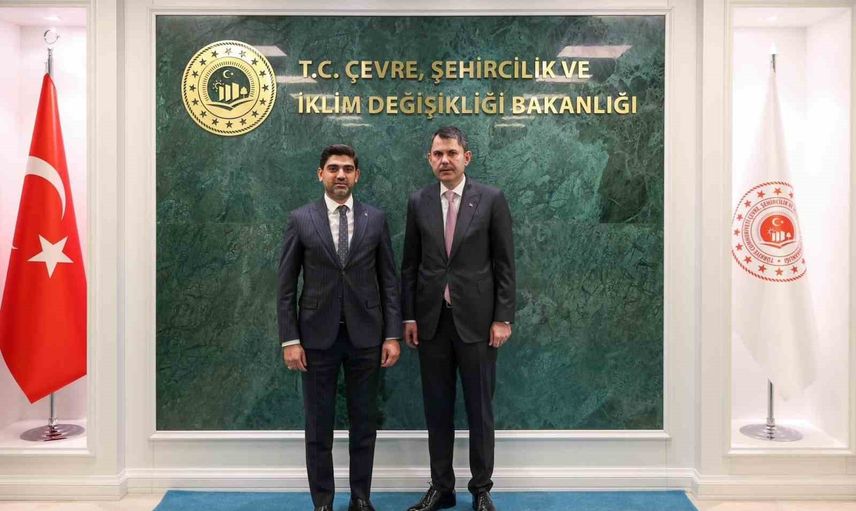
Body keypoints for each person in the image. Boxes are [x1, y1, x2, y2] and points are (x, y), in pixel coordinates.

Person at [278, 144, 402, 511]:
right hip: (315, 339)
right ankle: (323, 502)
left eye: (348, 168)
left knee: (364, 423)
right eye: (333, 168)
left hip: (367, 337)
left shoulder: (375, 219)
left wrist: (392, 335)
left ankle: (361, 497)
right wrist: (290, 339)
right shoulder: (301, 219)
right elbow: (286, 286)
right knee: (319, 426)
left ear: (357, 175)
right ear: (320, 174)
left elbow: (389, 282)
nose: (341, 175)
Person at [401, 126, 516, 511]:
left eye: (451, 153)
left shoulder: (491, 199)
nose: (445, 160)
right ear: (429, 159)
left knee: (480, 409)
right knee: (437, 409)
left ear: (467, 157)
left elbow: (504, 264)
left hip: (479, 324)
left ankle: (481, 489)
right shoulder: (418, 202)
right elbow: (410, 265)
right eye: (438, 154)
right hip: (431, 323)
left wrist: (502, 318)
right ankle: (442, 488)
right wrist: (409, 317)